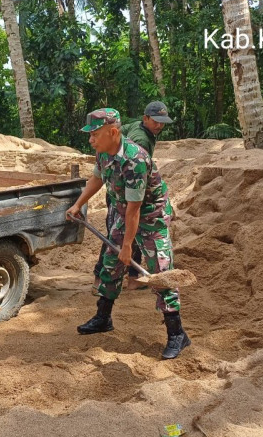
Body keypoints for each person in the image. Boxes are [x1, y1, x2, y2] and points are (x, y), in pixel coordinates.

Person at [66, 108, 189, 360]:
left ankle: (177, 334)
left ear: (113, 132)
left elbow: (136, 209)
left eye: (95, 134)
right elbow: (97, 179)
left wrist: (127, 246)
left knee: (160, 272)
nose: (90, 140)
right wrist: (78, 204)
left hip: (151, 215)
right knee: (110, 263)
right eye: (90, 135)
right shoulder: (103, 152)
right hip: (125, 212)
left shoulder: (135, 160)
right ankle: (103, 318)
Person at [92, 101, 174, 292]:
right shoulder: (141, 141)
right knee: (121, 236)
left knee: (123, 235)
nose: (159, 125)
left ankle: (130, 277)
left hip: (121, 188)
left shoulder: (138, 127)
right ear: (145, 118)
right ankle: (104, 278)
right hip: (124, 193)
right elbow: (133, 170)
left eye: (162, 122)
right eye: (155, 121)